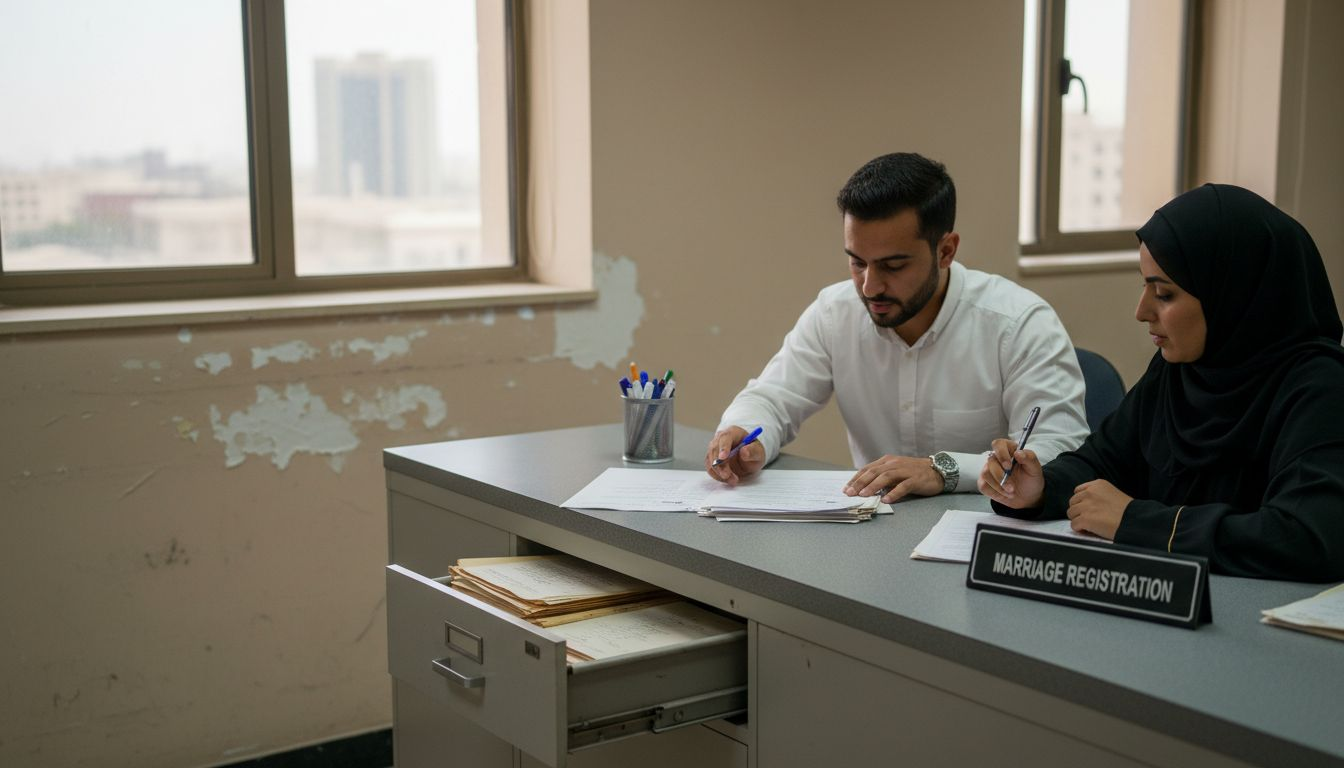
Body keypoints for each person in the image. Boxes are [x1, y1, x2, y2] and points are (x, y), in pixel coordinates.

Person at [979, 184, 1344, 582]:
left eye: (1164, 293)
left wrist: (1137, 523)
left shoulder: (1321, 388)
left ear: (1232, 293)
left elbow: (1305, 539)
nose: (1142, 311)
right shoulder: (1180, 371)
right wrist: (1041, 488)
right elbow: (1103, 461)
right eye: (1145, 286)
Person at [706, 152, 1089, 502]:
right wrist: (742, 435)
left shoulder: (1018, 324)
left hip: (985, 534)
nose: (870, 286)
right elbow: (772, 399)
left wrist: (944, 470)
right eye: (857, 262)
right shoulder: (834, 313)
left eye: (893, 266)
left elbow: (1059, 449)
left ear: (946, 251)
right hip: (875, 534)